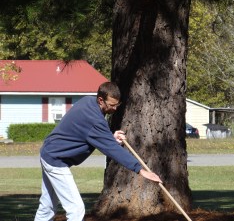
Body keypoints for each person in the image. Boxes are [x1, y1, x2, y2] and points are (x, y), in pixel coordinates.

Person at [34, 82, 162, 221]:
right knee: (76, 210)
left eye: (116, 105)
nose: (114, 109)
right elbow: (112, 149)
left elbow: (88, 133)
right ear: (101, 100)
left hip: (49, 152)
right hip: (56, 161)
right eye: (111, 105)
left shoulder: (88, 101)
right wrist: (141, 170)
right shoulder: (95, 120)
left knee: (47, 207)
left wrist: (110, 138)